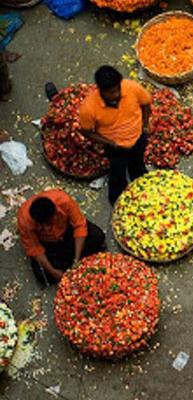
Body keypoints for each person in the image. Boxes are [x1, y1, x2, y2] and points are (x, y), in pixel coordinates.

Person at [79, 65, 151, 205]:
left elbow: (146, 103)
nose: (117, 94)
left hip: (138, 137)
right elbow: (86, 132)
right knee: (117, 173)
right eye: (111, 92)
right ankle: (118, 201)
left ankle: (142, 187)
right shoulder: (89, 108)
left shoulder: (131, 88)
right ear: (101, 90)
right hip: (115, 147)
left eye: (118, 88)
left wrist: (145, 125)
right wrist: (110, 143)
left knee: (138, 165)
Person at [17, 189, 106, 286]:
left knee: (98, 236)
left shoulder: (64, 200)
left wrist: (76, 260)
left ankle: (72, 258)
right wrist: (53, 271)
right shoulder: (24, 220)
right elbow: (34, 248)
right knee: (43, 276)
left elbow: (79, 226)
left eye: (49, 223)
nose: (46, 228)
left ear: (56, 213)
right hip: (48, 243)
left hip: (67, 231)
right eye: (42, 226)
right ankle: (71, 258)